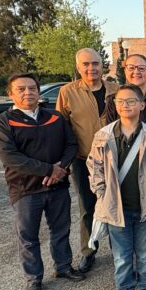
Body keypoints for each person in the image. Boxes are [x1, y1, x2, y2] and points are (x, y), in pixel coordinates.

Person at [0, 73, 85, 290]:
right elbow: (10, 157)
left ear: (38, 90)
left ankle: (63, 266)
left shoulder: (54, 117)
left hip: (58, 186)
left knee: (61, 229)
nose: (27, 93)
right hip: (25, 190)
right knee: (28, 237)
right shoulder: (3, 122)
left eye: (32, 88)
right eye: (21, 89)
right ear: (10, 93)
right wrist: (48, 170)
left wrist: (59, 168)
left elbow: (71, 144)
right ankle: (33, 279)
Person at [87, 84, 146, 290]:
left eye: (132, 101)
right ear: (115, 105)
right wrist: (101, 193)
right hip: (116, 209)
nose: (126, 105)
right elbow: (94, 167)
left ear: (142, 105)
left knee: (145, 255)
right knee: (122, 257)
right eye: (121, 101)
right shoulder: (103, 135)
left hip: (145, 208)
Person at [105, 53, 146, 285]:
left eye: (141, 67)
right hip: (122, 170)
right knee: (120, 217)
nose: (137, 71)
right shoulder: (114, 99)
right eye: (132, 67)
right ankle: (127, 267)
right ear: (125, 69)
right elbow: (110, 135)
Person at [56, 48, 119, 273]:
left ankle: (118, 248)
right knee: (87, 206)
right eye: (86, 64)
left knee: (115, 203)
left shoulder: (115, 89)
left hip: (113, 158)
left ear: (102, 65)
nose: (91, 68)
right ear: (78, 67)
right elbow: (61, 128)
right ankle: (88, 251)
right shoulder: (67, 92)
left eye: (95, 63)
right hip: (83, 159)